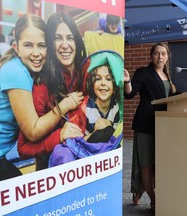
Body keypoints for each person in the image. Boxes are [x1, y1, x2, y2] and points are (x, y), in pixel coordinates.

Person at [0, 13, 82, 188]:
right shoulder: (16, 72)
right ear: (16, 47)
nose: (36, 53)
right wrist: (64, 106)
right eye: (28, 45)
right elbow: (33, 131)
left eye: (41, 45)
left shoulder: (29, 70)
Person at [17, 11, 87, 170]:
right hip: (54, 170)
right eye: (57, 38)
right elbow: (23, 149)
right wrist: (59, 135)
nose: (65, 44)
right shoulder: (42, 85)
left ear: (77, 40)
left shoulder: (88, 73)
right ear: (49, 43)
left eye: (70, 37)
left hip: (86, 166)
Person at [123, 42, 178, 210]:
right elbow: (130, 94)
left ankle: (139, 190)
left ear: (168, 57)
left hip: (162, 124)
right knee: (146, 163)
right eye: (156, 53)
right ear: (151, 56)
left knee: (157, 162)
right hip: (146, 123)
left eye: (163, 54)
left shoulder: (167, 74)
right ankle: (154, 199)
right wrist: (127, 82)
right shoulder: (143, 72)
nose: (160, 57)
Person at [48, 50, 123, 167]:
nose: (103, 83)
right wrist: (95, 133)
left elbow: (114, 135)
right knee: (101, 134)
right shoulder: (86, 107)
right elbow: (76, 139)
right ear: (92, 85)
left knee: (108, 132)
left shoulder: (116, 107)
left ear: (114, 88)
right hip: (85, 150)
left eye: (108, 79)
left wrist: (108, 125)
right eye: (98, 79)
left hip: (105, 151)